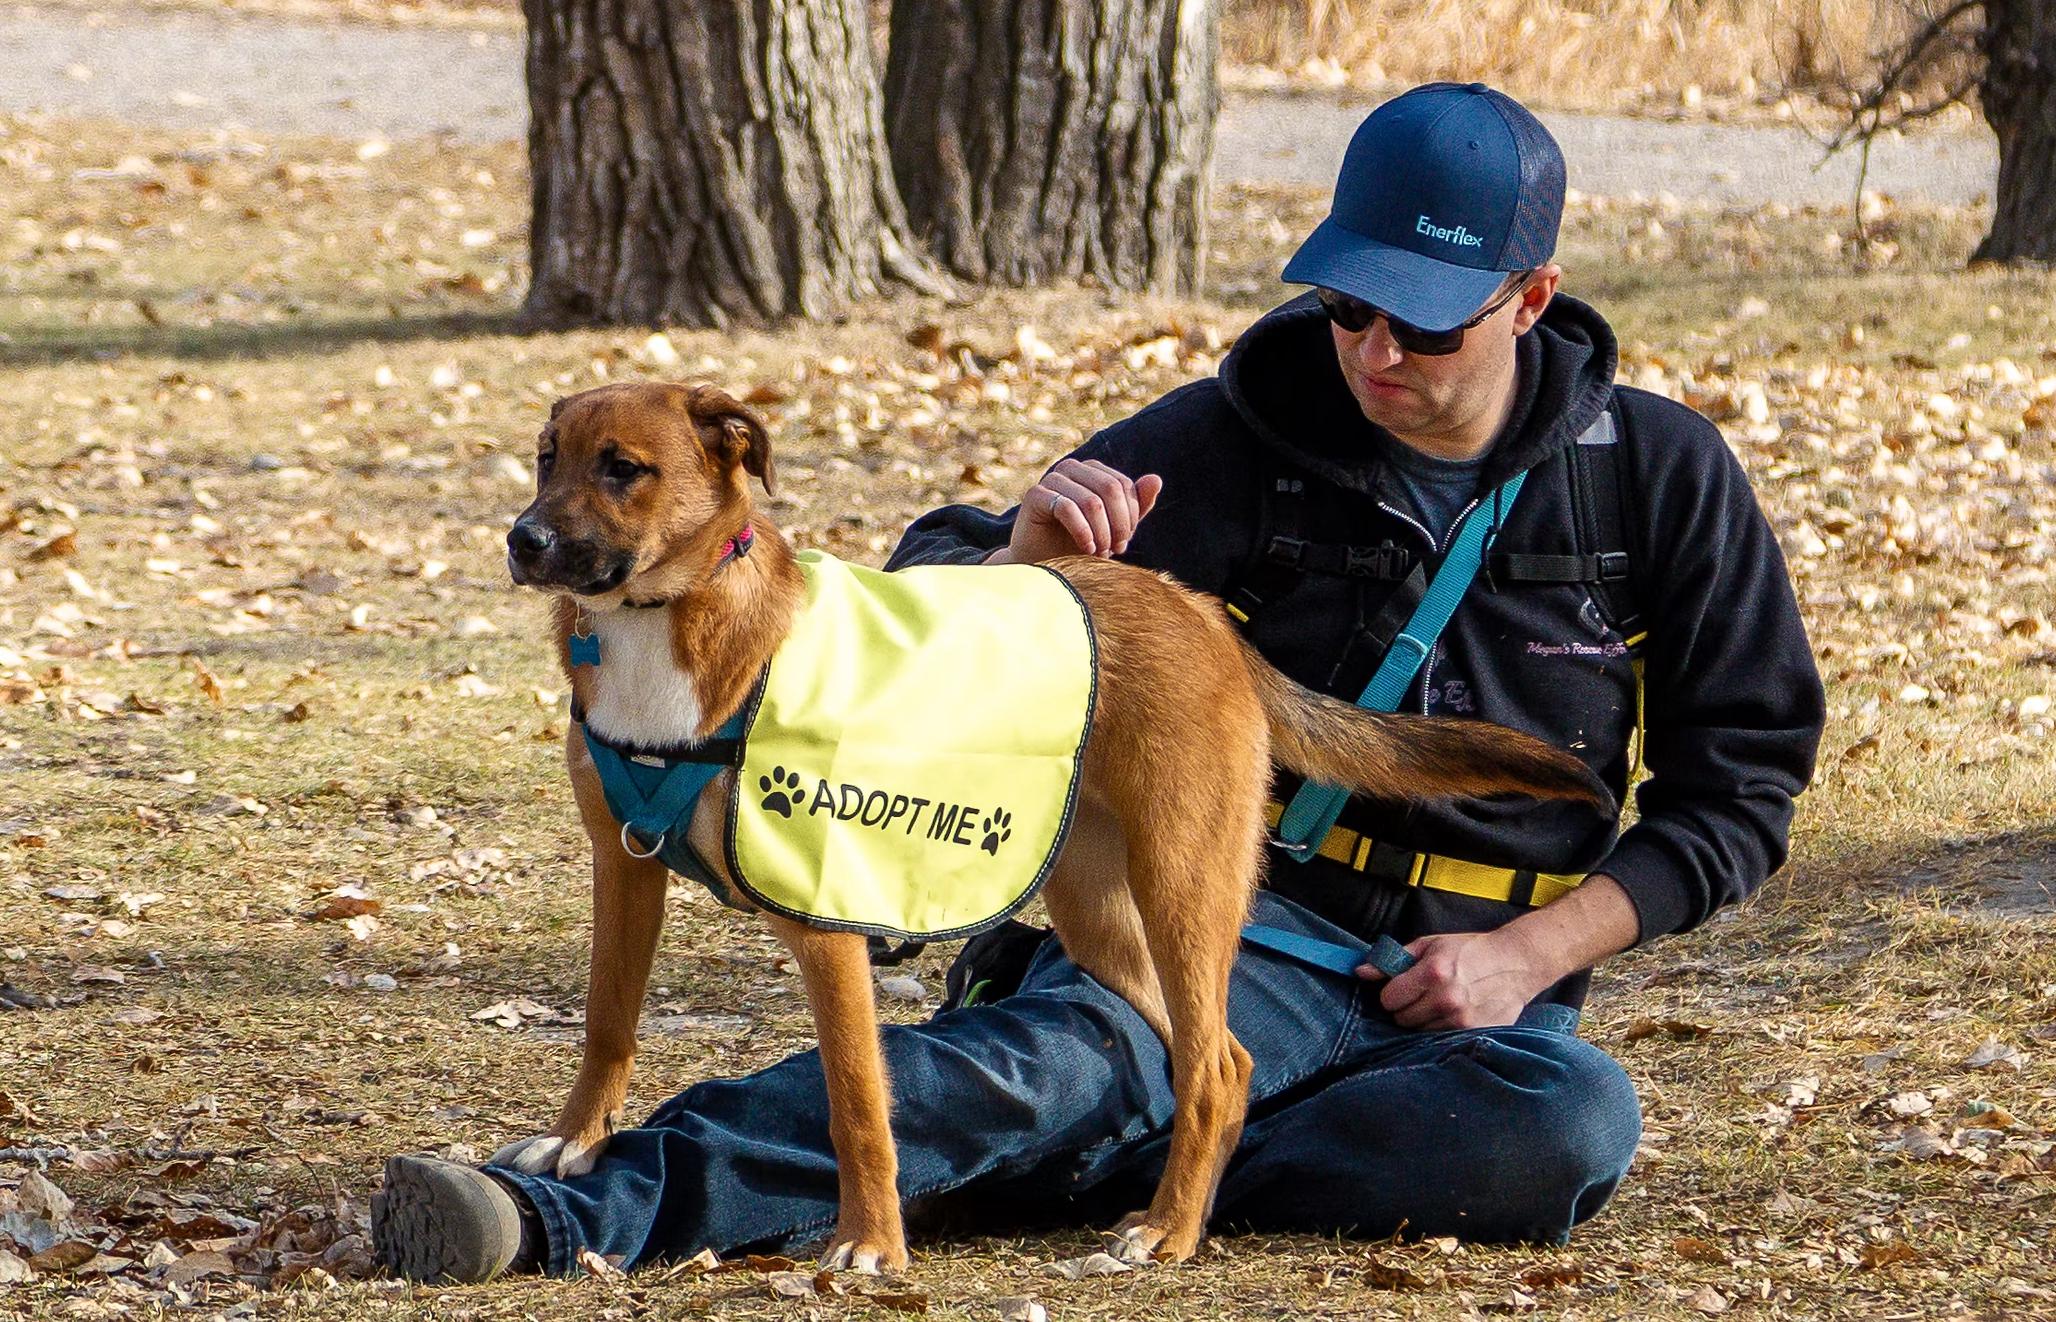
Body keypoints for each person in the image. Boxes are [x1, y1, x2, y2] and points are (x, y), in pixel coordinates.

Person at [370, 82, 1824, 1282]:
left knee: (1567, 1128)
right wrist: (1024, 544)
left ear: (1533, 296)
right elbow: (917, 595)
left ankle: (1132, 1139)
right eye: (1348, 306)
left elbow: (1741, 787)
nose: (1376, 351)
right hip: (1225, 924)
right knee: (1018, 1068)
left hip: (1484, 1003)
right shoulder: (1241, 427)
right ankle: (578, 1207)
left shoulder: (1658, 475)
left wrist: (1532, 955)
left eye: (1427, 324)